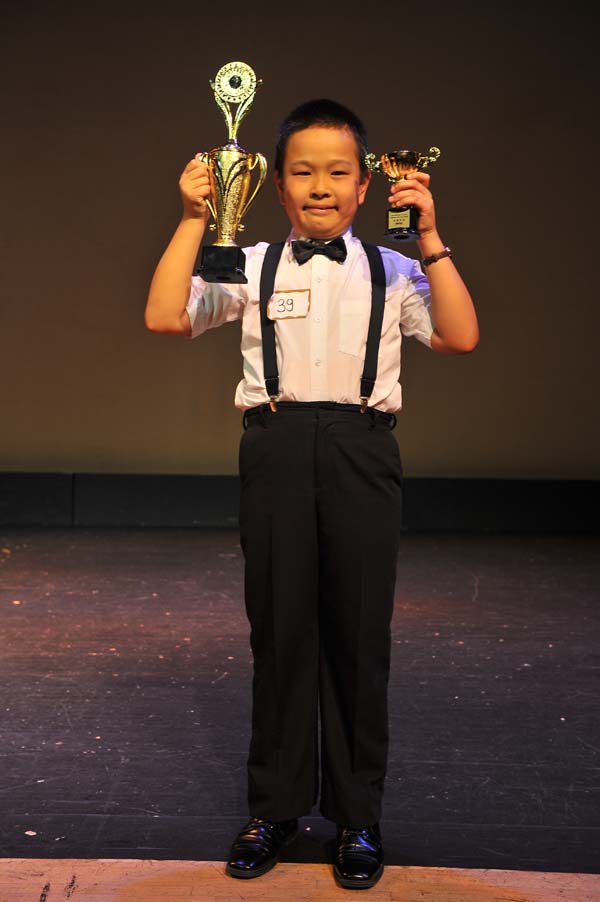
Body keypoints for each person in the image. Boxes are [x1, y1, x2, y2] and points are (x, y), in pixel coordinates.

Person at [144, 98, 479, 890]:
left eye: (337, 173)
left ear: (364, 185)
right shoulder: (252, 262)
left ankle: (358, 817)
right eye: (302, 172)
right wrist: (194, 218)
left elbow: (460, 335)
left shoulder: (392, 269)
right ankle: (276, 808)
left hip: (363, 450)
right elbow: (165, 316)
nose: (320, 187)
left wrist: (430, 237)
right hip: (277, 448)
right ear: (278, 185)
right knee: (280, 631)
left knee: (359, 639)